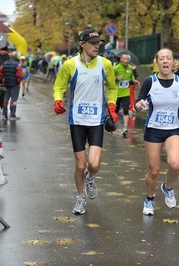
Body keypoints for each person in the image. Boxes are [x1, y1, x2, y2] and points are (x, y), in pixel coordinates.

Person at [52, 29, 119, 215]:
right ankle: (80, 198)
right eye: (93, 43)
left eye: (99, 43)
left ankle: (91, 178)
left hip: (96, 120)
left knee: (94, 165)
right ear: (82, 44)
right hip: (77, 121)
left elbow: (112, 88)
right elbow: (59, 87)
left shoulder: (105, 64)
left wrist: (112, 107)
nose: (97, 46)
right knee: (80, 165)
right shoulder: (69, 65)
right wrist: (57, 100)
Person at [134, 48, 179, 216]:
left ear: (174, 62)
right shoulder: (150, 81)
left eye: (168, 58)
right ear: (157, 62)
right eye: (161, 58)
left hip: (173, 129)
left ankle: (167, 186)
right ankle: (149, 199)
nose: (165, 61)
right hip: (153, 130)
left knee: (175, 164)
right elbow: (139, 101)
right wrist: (139, 105)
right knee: (154, 170)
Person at [114, 52, 140, 137]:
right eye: (124, 59)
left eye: (127, 59)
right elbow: (109, 79)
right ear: (121, 60)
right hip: (117, 93)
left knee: (126, 110)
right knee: (116, 110)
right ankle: (112, 124)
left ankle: (125, 128)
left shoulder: (130, 68)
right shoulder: (116, 68)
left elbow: (131, 77)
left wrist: (134, 81)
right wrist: (116, 78)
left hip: (126, 93)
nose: (126, 60)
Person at [0, 51, 22, 120]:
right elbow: (19, 74)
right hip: (14, 84)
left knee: (6, 99)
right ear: (16, 57)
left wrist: (2, 78)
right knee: (13, 100)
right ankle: (12, 115)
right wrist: (18, 81)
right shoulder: (17, 64)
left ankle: (4, 115)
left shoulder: (5, 63)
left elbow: (0, 70)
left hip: (7, 83)